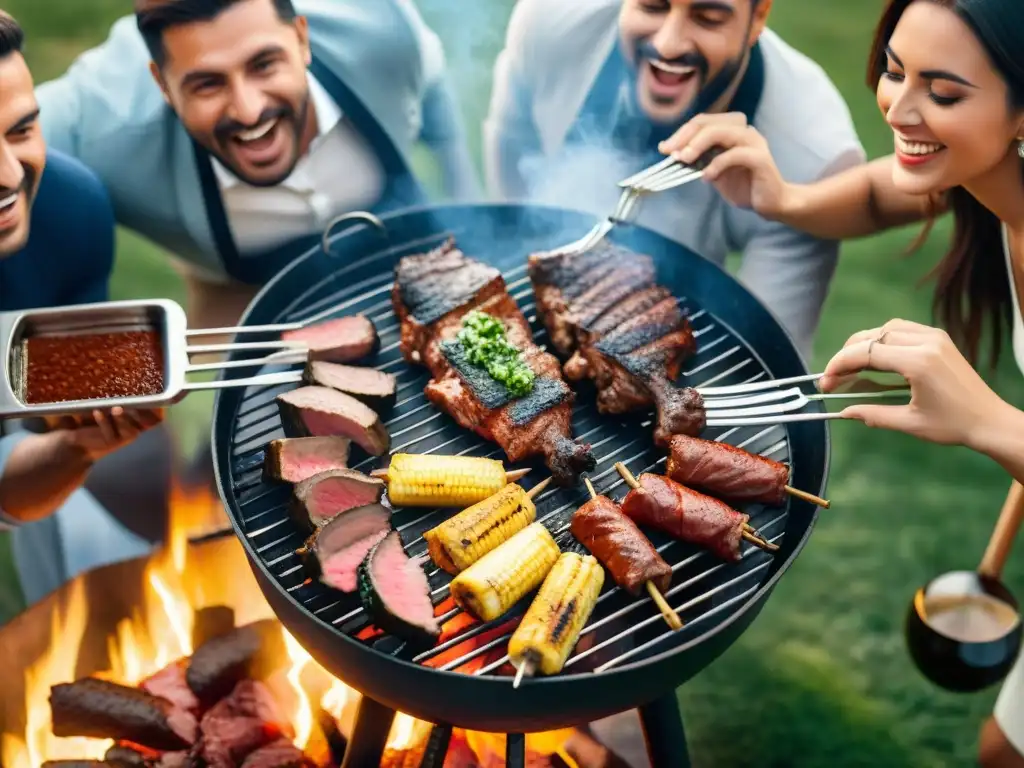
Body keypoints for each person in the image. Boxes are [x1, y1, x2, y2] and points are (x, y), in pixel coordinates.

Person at [658, 0, 1024, 763]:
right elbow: (882, 190)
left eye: (944, 93)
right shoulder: (983, 169)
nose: (899, 108)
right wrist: (779, 197)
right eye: (895, 71)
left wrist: (988, 422)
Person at [33, 0, 478, 333]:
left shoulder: (381, 29)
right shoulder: (104, 124)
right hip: (243, 289)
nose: (248, 111)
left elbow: (431, 72)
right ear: (162, 86)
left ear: (301, 39)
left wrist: (463, 191)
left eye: (263, 64)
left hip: (415, 243)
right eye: (207, 84)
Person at [482, 0, 866, 359]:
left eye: (708, 17)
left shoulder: (813, 159)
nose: (667, 45)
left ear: (758, 16)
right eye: (652, 4)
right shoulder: (551, 22)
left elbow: (759, 362)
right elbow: (512, 151)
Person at [0, 11, 166, 607]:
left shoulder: (68, 210)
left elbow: (30, 435)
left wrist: (78, 443)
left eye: (20, 131)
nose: (10, 176)